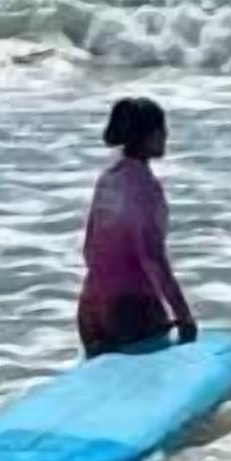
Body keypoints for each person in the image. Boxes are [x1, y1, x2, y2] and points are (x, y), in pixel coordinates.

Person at [77, 95, 197, 356]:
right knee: (154, 387)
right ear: (150, 135)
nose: (166, 135)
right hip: (130, 311)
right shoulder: (146, 188)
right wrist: (184, 316)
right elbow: (153, 258)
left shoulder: (108, 179)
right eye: (162, 129)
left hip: (91, 308)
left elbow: (89, 249)